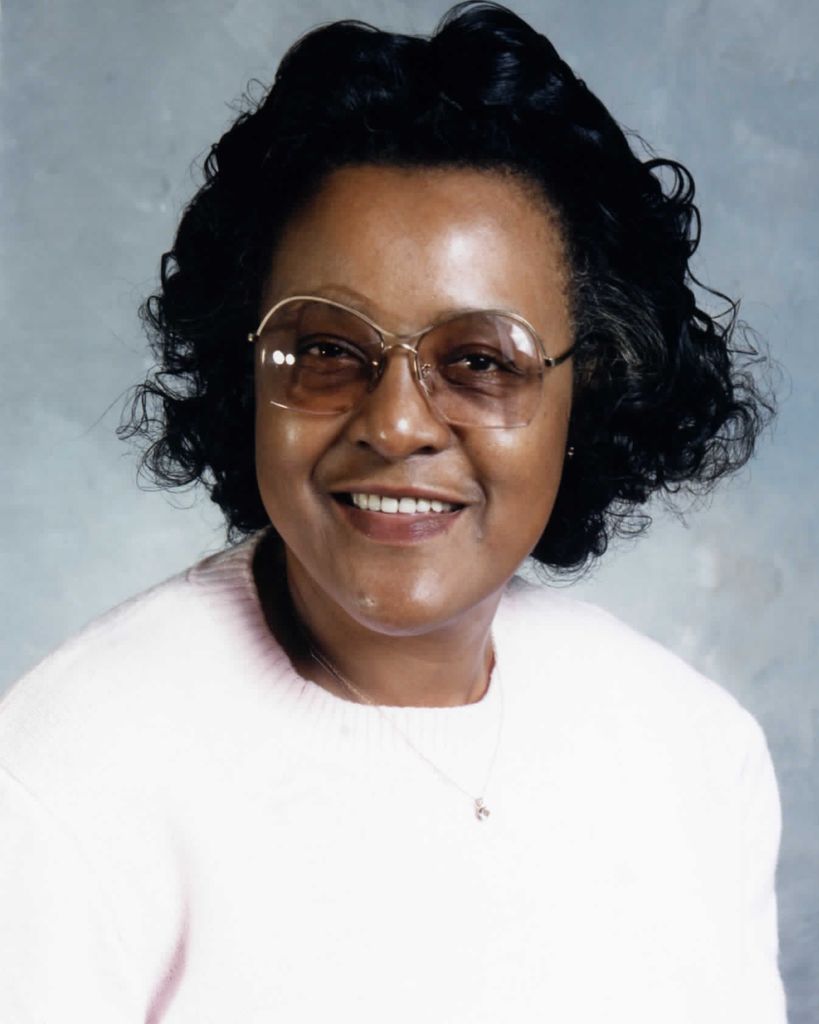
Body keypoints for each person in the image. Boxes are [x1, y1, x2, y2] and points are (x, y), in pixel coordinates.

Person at [0, 3, 786, 1021]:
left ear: (590, 390)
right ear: (248, 371)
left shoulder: (694, 751)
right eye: (328, 350)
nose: (397, 423)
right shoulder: (62, 783)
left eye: (480, 361)